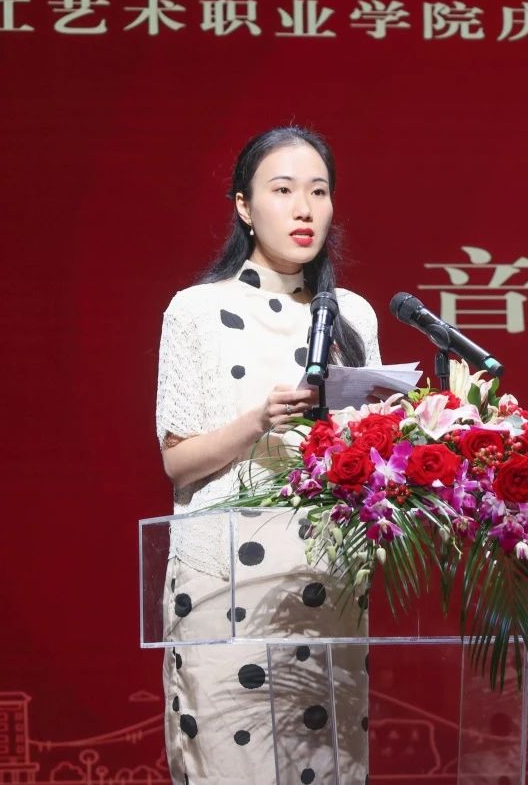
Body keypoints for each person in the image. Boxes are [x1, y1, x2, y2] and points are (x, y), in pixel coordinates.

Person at [154, 126, 379, 784]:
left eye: (318, 191)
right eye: (282, 191)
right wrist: (256, 422)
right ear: (245, 207)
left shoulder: (353, 317)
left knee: (329, 767)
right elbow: (178, 461)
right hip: (228, 584)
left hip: (330, 582)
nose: (304, 208)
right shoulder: (197, 311)